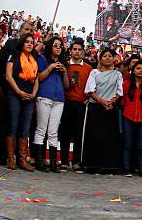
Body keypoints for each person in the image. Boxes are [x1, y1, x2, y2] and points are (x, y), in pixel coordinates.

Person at [0, 21, 34, 165]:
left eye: (30, 30)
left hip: (26, 93)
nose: (27, 31)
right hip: (9, 90)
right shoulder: (11, 44)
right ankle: (3, 157)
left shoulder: (32, 50)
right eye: (26, 29)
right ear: (20, 30)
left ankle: (20, 158)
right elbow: (1, 66)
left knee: (21, 125)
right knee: (7, 122)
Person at [81, 48, 123, 173]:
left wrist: (112, 101)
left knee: (109, 138)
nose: (107, 58)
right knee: (94, 137)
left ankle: (109, 166)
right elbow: (90, 90)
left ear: (114, 59)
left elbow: (119, 91)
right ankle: (91, 165)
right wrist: (101, 101)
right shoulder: (94, 73)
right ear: (101, 58)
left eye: (110, 55)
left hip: (110, 109)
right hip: (95, 108)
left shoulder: (118, 74)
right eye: (105, 56)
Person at [33, 36, 68, 173]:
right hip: (44, 97)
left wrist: (64, 71)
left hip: (59, 99)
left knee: (53, 131)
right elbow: (39, 77)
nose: (58, 47)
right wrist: (51, 67)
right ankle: (39, 161)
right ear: (50, 47)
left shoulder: (63, 62)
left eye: (60, 45)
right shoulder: (42, 59)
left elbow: (67, 85)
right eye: (55, 45)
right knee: (41, 129)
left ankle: (53, 163)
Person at [4, 33, 39, 171]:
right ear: (22, 43)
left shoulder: (34, 59)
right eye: (27, 42)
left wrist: (34, 94)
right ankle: (11, 159)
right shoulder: (14, 55)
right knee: (12, 124)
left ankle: (22, 160)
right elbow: (8, 76)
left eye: (32, 42)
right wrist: (18, 91)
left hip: (29, 94)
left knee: (25, 127)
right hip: (15, 92)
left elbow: (36, 79)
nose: (30, 44)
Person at [61, 39, 92, 172]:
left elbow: (91, 87)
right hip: (67, 103)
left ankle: (77, 161)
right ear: (70, 51)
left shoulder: (89, 68)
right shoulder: (65, 66)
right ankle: (63, 161)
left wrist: (87, 99)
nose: (77, 52)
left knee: (79, 134)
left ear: (83, 52)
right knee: (65, 133)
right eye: (75, 49)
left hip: (81, 104)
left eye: (79, 50)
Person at [121, 60, 142, 177]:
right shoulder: (126, 84)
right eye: (138, 68)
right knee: (127, 144)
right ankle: (126, 168)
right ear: (133, 70)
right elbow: (123, 102)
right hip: (128, 116)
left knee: (140, 145)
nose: (141, 71)